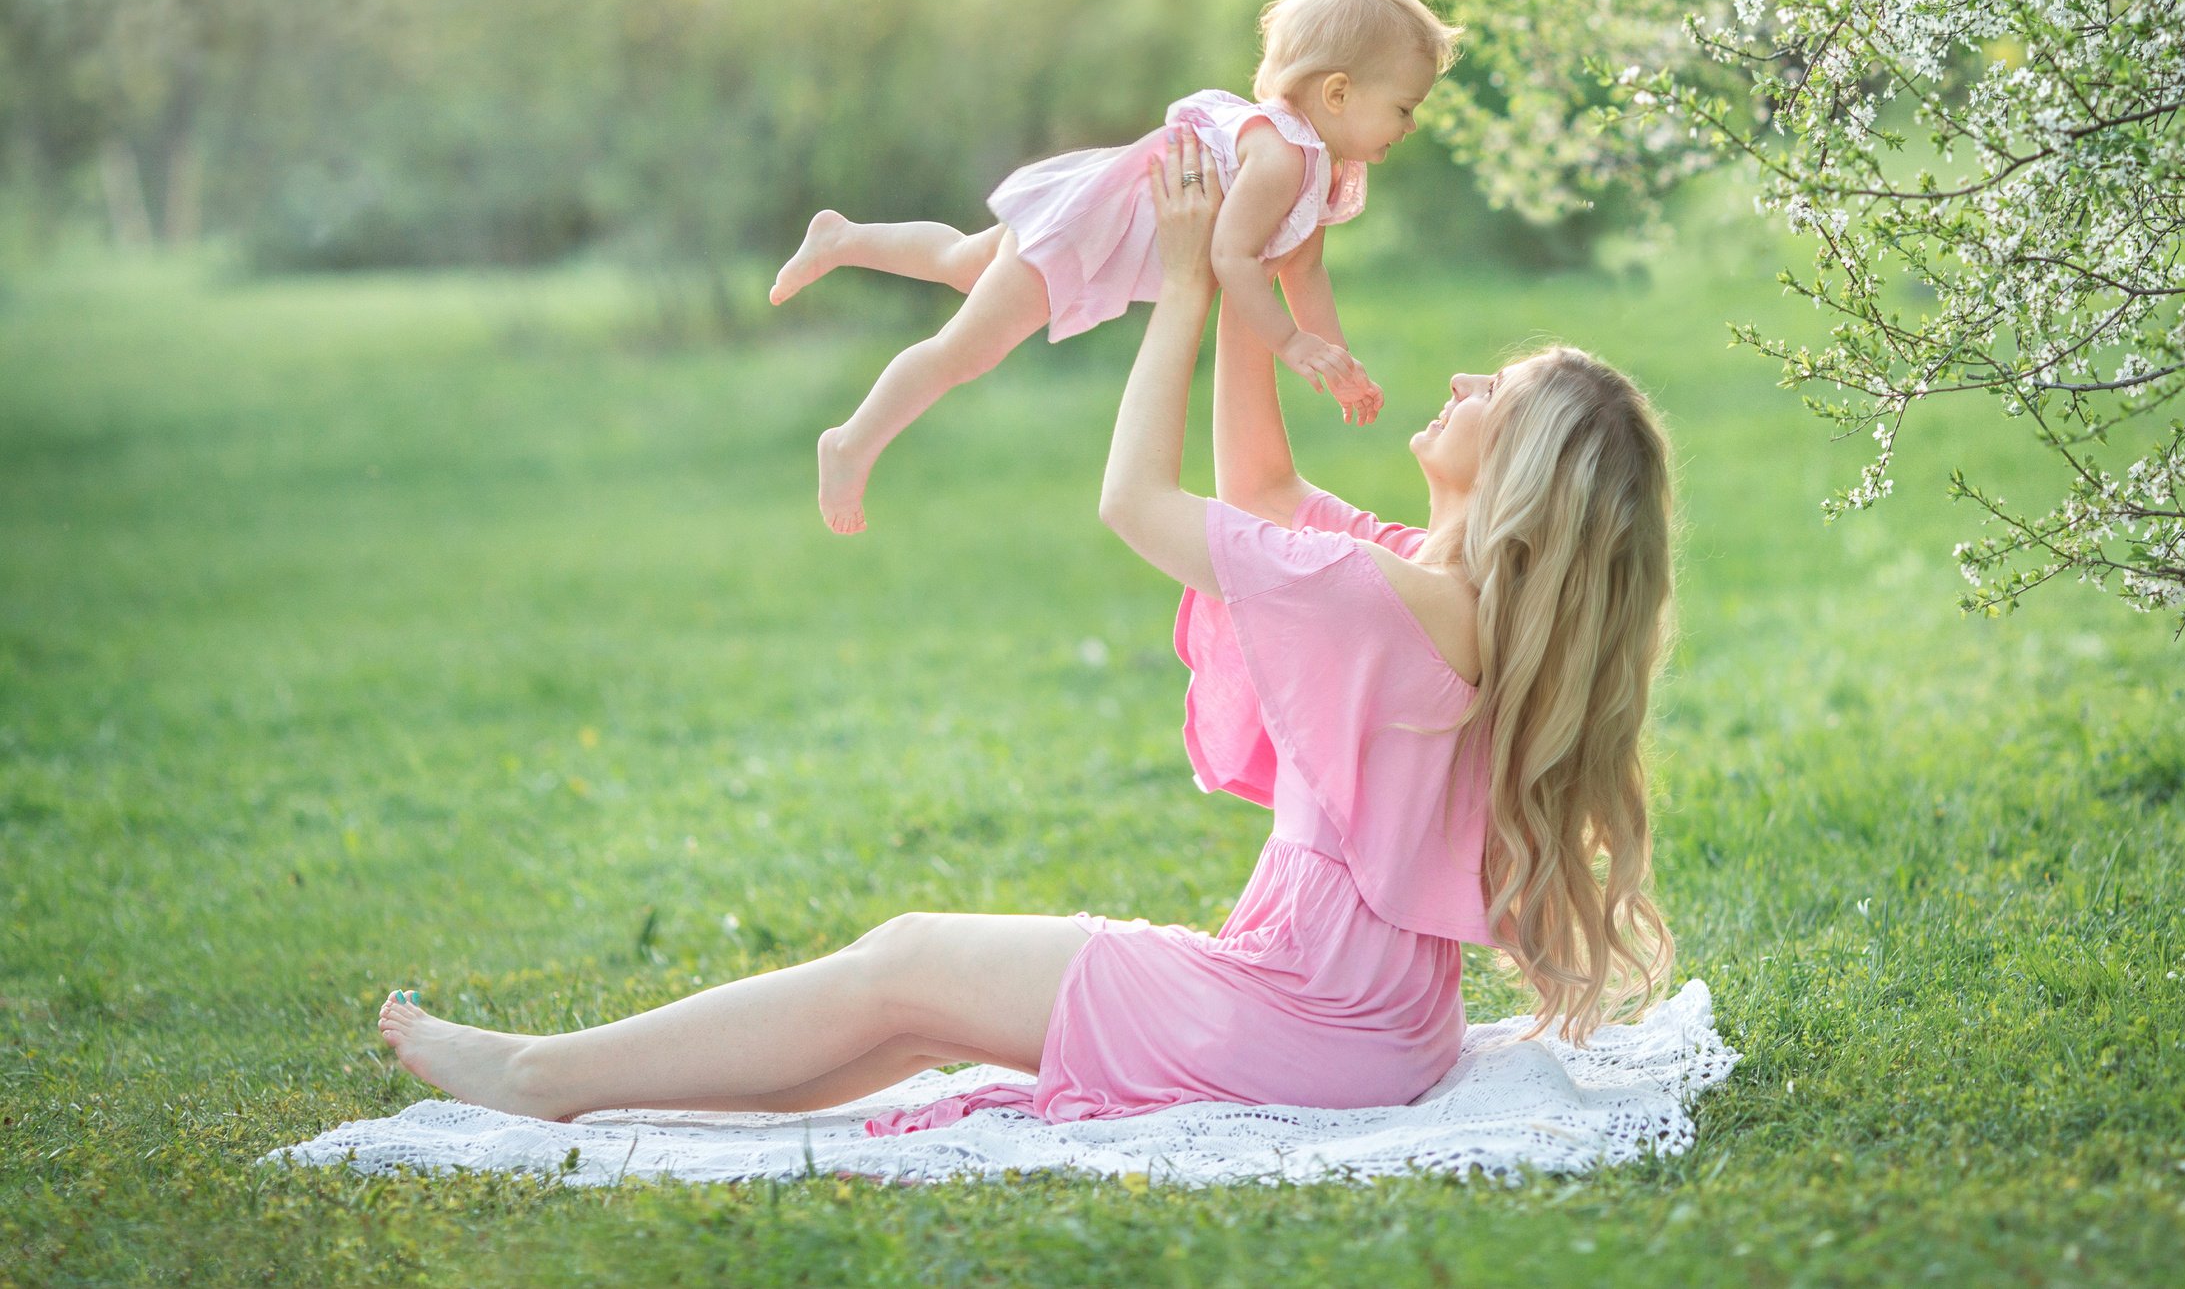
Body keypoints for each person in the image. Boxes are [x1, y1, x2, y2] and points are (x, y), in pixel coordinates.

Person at [373, 130, 1676, 1123]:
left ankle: (539, 1076)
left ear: (1519, 480)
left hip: (1311, 1018)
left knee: (908, 962)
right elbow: (1264, 493)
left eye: (1492, 392)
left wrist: (1175, 294)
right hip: (1363, 1020)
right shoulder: (1427, 592)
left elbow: (1139, 502)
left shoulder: (1390, 601)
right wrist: (1241, 263)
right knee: (904, 1005)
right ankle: (585, 1091)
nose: (1461, 381)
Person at [769, 0, 1460, 534]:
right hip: (1089, 235)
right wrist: (1289, 344)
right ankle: (852, 441)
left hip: (1099, 217)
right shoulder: (1280, 154)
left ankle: (844, 237)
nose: (1411, 123)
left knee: (961, 262)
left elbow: (1305, 270)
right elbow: (1230, 258)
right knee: (966, 348)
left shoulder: (1324, 169)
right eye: (1403, 107)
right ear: (1338, 92)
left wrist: (1334, 356)